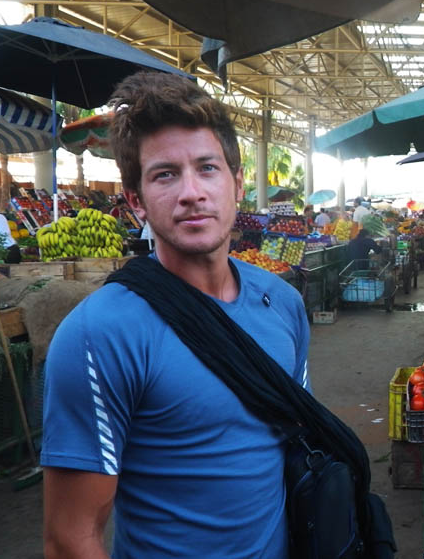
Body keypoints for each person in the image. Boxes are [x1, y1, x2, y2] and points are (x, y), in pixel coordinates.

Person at [41, 71, 311, 559]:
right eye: (165, 174)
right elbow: (69, 538)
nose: (191, 192)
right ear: (136, 201)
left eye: (207, 168)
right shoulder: (100, 335)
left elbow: (301, 448)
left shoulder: (284, 304)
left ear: (237, 183)